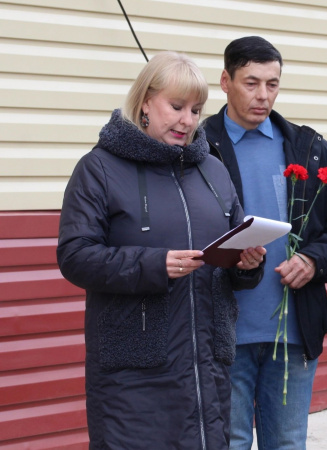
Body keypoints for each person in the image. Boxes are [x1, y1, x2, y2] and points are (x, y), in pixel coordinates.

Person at [57, 51, 266, 449]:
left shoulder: (213, 170)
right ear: (145, 102)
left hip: (207, 367)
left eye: (196, 109)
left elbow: (235, 246)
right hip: (134, 374)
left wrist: (246, 264)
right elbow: (75, 255)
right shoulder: (99, 168)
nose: (188, 120)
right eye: (176, 106)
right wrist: (154, 264)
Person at [202, 36, 327, 450]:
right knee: (227, 444)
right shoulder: (197, 151)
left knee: (288, 443)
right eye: (251, 83)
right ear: (225, 81)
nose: (263, 95)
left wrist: (313, 260)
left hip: (293, 330)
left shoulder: (312, 150)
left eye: (272, 84)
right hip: (222, 333)